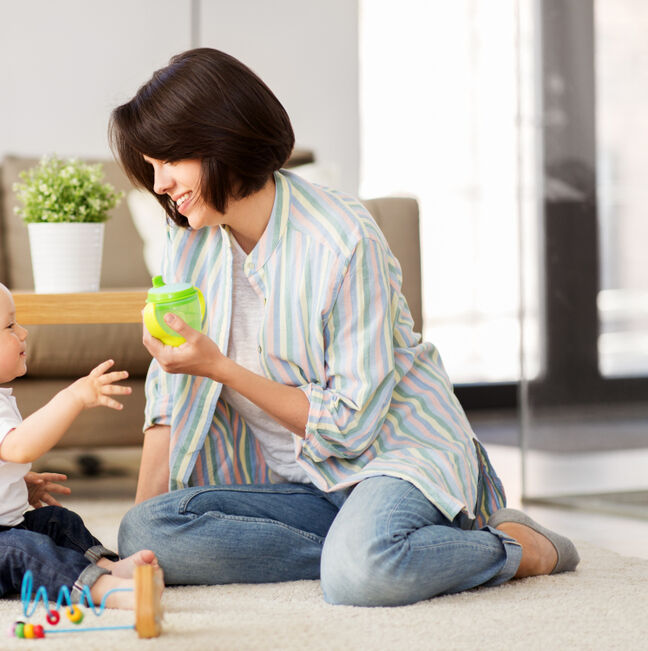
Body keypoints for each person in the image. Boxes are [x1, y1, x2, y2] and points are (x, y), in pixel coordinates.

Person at [109, 48, 579, 606]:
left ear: (220, 140)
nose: (160, 184)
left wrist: (222, 369)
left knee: (362, 577)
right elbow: (171, 397)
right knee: (145, 532)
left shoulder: (342, 239)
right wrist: (127, 561)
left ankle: (519, 548)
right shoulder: (187, 238)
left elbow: (352, 426)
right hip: (302, 485)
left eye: (169, 162)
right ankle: (382, 544)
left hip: (392, 459)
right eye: (152, 167)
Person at [0, 270, 158, 609]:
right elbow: (21, 446)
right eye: (9, 327)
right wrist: (73, 398)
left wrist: (16, 483)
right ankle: (101, 591)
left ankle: (108, 566)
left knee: (56, 521)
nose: (22, 333)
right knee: (23, 549)